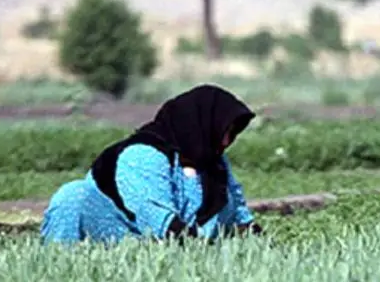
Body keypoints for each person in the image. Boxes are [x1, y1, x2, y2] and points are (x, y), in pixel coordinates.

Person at [40, 83, 264, 244]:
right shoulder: (142, 157)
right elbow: (161, 223)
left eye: (232, 134)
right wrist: (205, 258)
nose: (226, 142)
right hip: (125, 237)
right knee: (73, 196)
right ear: (198, 127)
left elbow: (239, 218)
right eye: (224, 133)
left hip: (177, 242)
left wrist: (266, 247)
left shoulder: (213, 163)